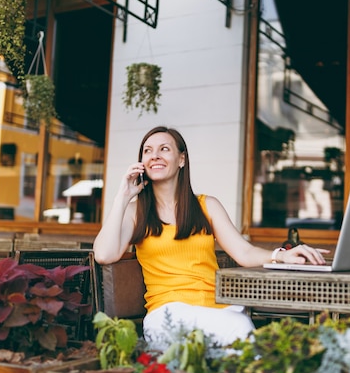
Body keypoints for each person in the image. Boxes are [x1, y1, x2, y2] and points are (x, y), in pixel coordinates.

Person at [93, 126, 328, 347]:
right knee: (238, 334)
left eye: (164, 149)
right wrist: (122, 198)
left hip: (219, 309)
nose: (154, 155)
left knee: (239, 339)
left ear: (182, 159)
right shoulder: (136, 211)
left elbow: (244, 252)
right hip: (167, 315)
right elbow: (104, 254)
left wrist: (282, 256)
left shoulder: (207, 206)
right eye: (147, 151)